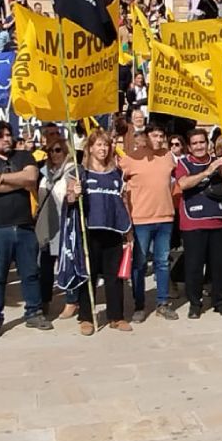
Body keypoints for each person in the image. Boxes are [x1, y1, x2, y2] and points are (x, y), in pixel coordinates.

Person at [0, 121, 50, 339]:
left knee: (30, 272)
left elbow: (32, 177)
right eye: (1, 136)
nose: (7, 139)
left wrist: (2, 178)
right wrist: (18, 182)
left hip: (24, 224)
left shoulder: (23, 156)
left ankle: (34, 312)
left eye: (8, 134)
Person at [66, 129, 133, 334]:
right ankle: (86, 317)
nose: (103, 149)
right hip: (89, 231)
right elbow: (69, 199)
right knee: (89, 275)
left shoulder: (117, 173)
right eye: (98, 145)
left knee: (114, 277)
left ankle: (116, 316)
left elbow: (124, 202)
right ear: (90, 148)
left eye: (105, 145)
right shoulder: (79, 172)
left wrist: (129, 231)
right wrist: (74, 193)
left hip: (113, 229)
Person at [175, 128, 222, 319]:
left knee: (219, 266)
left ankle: (219, 301)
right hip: (193, 222)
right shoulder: (184, 163)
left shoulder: (218, 161)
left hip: (218, 221)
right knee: (194, 266)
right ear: (189, 146)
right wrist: (207, 172)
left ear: (207, 143)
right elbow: (183, 184)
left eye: (202, 142)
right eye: (194, 143)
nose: (199, 146)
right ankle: (195, 303)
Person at [122, 123, 177, 322]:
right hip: (140, 220)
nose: (159, 139)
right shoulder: (130, 159)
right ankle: (139, 305)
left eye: (161, 135)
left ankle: (163, 302)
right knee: (140, 263)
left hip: (165, 218)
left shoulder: (168, 157)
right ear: (145, 137)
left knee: (162, 262)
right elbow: (118, 181)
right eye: (155, 135)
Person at [36, 136, 79, 319]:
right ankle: (43, 301)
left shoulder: (72, 171)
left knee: (67, 263)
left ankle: (72, 300)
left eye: (58, 150)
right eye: (50, 151)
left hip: (65, 224)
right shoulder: (44, 172)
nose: (54, 154)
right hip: (46, 225)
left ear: (66, 151)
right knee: (45, 266)